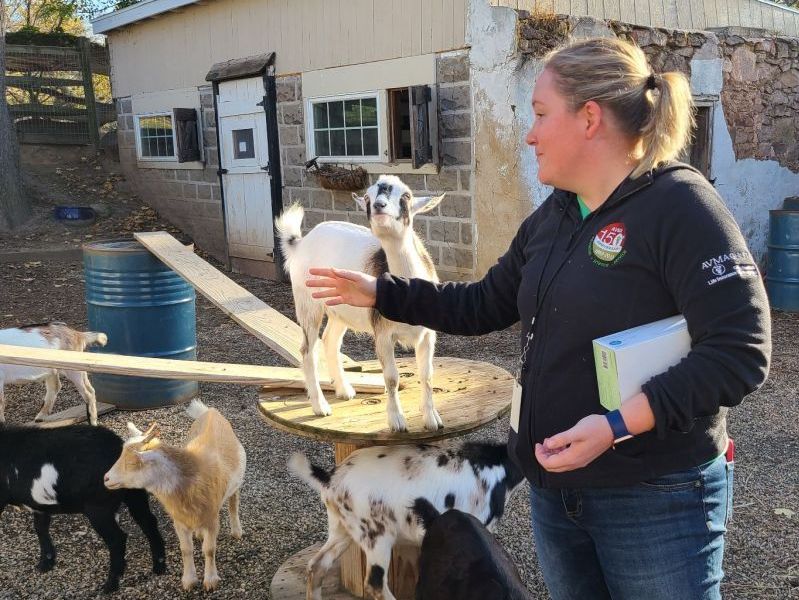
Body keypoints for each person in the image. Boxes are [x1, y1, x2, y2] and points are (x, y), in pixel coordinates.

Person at [305, 37, 771, 600]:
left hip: (654, 499)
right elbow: (482, 303)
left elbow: (740, 351)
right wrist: (383, 293)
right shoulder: (554, 216)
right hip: (556, 492)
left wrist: (617, 425)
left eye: (541, 114)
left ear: (590, 119)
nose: (529, 133)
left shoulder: (682, 207)